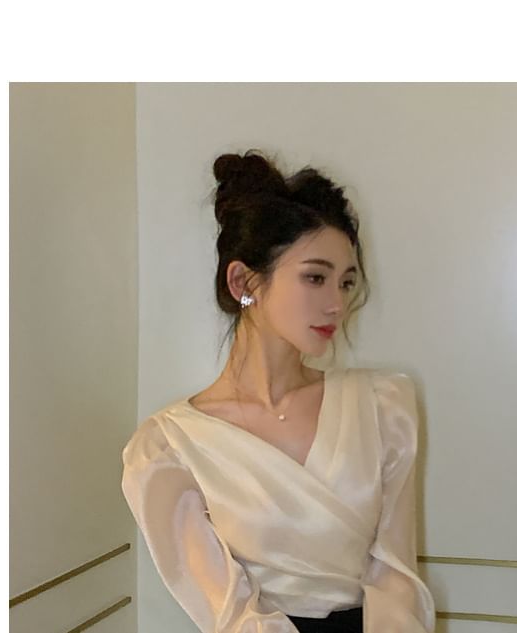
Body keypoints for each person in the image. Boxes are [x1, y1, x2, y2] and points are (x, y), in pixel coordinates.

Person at [120, 150, 436, 632]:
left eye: (346, 283)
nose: (337, 304)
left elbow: (396, 577)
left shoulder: (382, 407)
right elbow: (229, 613)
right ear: (243, 281)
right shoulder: (168, 449)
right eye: (316, 277)